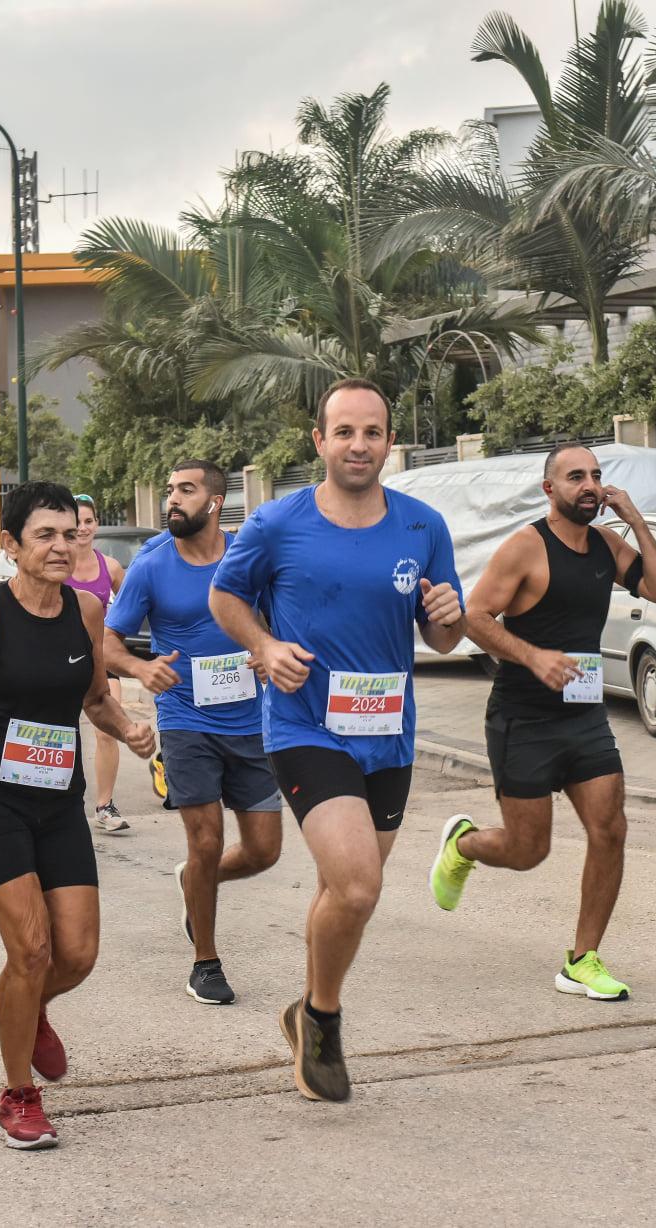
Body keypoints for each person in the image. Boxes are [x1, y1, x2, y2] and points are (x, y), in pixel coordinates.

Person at [210, 377, 467, 1102]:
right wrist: (264, 647)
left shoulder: (423, 527)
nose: (359, 445)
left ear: (390, 442)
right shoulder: (276, 523)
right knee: (358, 884)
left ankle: (305, 1010)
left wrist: (451, 615)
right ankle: (322, 1018)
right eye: (345, 432)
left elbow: (443, 638)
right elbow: (225, 596)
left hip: (389, 735)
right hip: (305, 726)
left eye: (372, 432)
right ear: (319, 441)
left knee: (343, 891)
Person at [0, 481, 154, 1150]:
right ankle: (18, 1095)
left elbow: (96, 699)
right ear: (12, 546)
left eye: (69, 533)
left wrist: (130, 728)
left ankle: (32, 1006)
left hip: (59, 797)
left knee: (77, 953)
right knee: (31, 949)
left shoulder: (86, 610)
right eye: (44, 535)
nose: (61, 546)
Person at [430, 443, 656, 1002]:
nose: (589, 485)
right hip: (523, 717)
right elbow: (473, 617)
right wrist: (533, 656)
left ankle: (582, 959)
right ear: (549, 489)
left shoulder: (607, 544)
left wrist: (636, 520)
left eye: (595, 476)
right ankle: (464, 845)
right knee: (527, 850)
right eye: (574, 477)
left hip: (584, 716)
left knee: (610, 828)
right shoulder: (526, 546)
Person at [104, 461, 282, 1005]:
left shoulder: (247, 557)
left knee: (264, 851)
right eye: (169, 490)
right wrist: (140, 668)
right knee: (206, 841)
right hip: (186, 720)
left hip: (252, 721)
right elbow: (108, 643)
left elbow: (277, 624)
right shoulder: (152, 563)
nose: (172, 500)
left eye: (185, 490)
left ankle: (195, 880)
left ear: (214, 501)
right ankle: (205, 962)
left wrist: (268, 651)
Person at [69, 494, 128, 833]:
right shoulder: (57, 564)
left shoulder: (111, 568)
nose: (82, 528)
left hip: (100, 659)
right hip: (61, 660)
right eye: (76, 522)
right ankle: (61, 804)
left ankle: (105, 806)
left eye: (88, 521)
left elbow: (133, 604)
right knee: (62, 732)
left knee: (109, 729)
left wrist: (115, 636)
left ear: (96, 524)